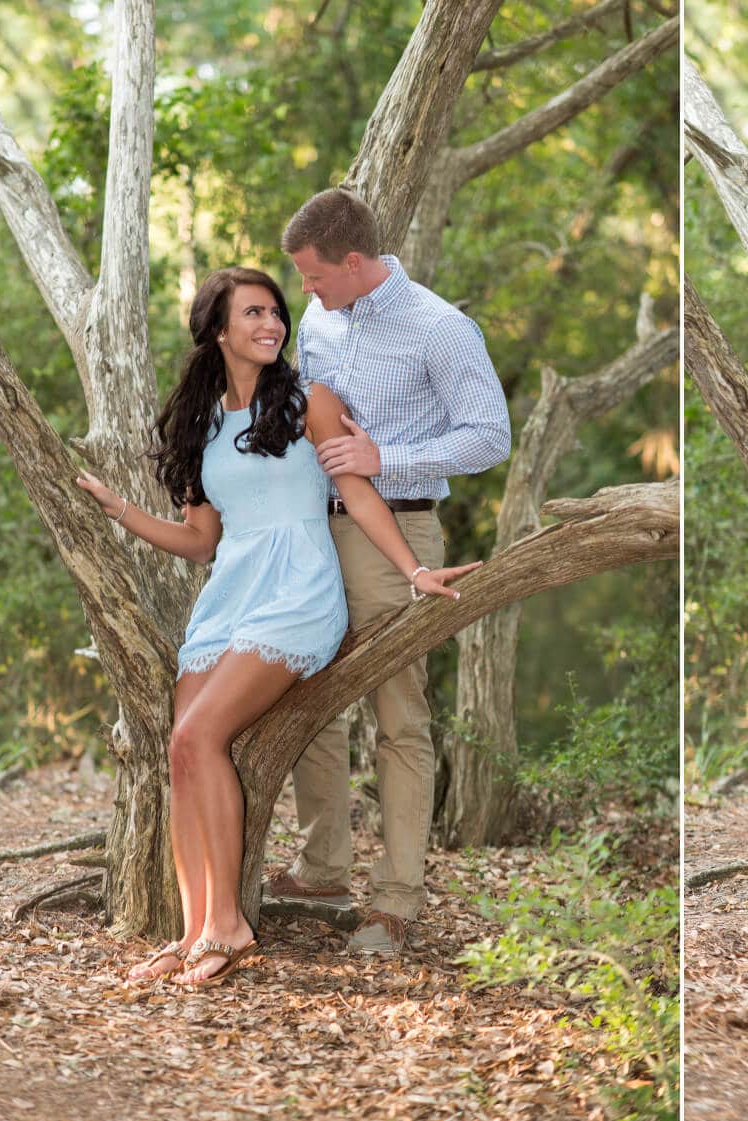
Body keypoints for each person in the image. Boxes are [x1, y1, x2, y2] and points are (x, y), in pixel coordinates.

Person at [77, 267, 480, 987]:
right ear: (219, 328)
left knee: (199, 734)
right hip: (229, 592)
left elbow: (356, 495)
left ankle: (229, 925)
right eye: (254, 312)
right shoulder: (203, 419)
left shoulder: (310, 402)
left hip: (298, 590)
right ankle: (195, 926)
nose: (273, 324)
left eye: (277, 311)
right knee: (182, 752)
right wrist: (122, 513)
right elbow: (201, 539)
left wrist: (414, 571)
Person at [263, 188, 511, 955]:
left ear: (355, 261)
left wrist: (386, 457)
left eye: (312, 275)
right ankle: (323, 865)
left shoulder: (440, 328)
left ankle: (397, 899)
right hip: (314, 530)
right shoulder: (319, 319)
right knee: (310, 698)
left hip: (398, 529)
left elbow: (490, 437)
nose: (303, 292)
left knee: (398, 717)